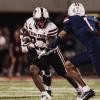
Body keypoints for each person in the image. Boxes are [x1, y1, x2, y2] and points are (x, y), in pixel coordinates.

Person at [20, 7, 84, 100]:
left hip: (52, 52)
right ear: (34, 19)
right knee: (33, 70)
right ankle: (45, 94)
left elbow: (52, 44)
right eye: (39, 20)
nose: (42, 23)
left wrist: (33, 45)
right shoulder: (29, 22)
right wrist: (24, 44)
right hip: (38, 51)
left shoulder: (52, 27)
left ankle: (79, 89)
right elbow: (23, 32)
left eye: (44, 20)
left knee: (64, 73)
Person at [39, 2, 97, 100]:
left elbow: (61, 36)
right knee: (68, 65)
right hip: (92, 50)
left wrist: (49, 48)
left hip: (96, 51)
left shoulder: (69, 20)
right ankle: (87, 90)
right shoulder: (92, 18)